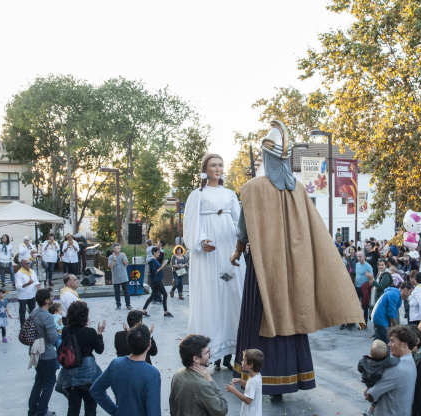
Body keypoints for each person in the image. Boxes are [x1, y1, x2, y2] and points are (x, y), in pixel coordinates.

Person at [230, 122, 364, 395]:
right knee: (290, 316)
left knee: (261, 315)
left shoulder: (254, 188)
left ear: (266, 156)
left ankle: (255, 376)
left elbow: (244, 228)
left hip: (263, 268)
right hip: (293, 268)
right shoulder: (299, 188)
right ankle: (288, 377)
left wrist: (237, 250)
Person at [184, 153, 246, 371]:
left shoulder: (230, 194)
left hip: (229, 244)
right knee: (211, 294)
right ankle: (210, 349)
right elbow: (191, 222)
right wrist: (201, 241)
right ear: (205, 169)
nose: (218, 169)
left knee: (233, 294)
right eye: (213, 165)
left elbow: (240, 221)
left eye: (220, 165)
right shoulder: (197, 195)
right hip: (209, 249)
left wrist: (242, 243)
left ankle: (236, 349)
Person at [91, 324, 169, 416]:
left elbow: (96, 390)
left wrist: (116, 411)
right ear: (149, 344)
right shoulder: (151, 373)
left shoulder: (116, 364)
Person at [55, 302, 105, 416]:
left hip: (70, 375)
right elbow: (100, 349)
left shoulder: (66, 331)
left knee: (73, 409)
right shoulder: (89, 332)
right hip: (88, 375)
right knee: (90, 408)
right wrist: (99, 333)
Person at [169, 334, 229, 416]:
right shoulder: (201, 385)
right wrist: (210, 381)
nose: (210, 354)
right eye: (206, 352)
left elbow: (173, 408)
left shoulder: (178, 374)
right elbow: (222, 409)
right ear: (195, 358)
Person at [365, 326, 418, 416]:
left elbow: (371, 395)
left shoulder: (396, 369)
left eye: (393, 341)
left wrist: (368, 390)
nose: (389, 344)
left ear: (404, 344)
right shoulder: (411, 363)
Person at [28, 288, 59, 416]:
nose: (53, 298)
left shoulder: (34, 312)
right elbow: (52, 337)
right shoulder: (46, 316)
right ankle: (42, 411)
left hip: (36, 352)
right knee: (49, 382)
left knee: (39, 381)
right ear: (46, 300)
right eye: (51, 297)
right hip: (47, 353)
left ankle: (32, 410)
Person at [225, 349, 264, 416]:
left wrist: (234, 391)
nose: (242, 362)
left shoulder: (252, 381)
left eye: (244, 360)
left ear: (250, 365)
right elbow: (251, 389)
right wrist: (240, 381)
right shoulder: (257, 377)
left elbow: (248, 400)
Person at [357, 339, 399, 416]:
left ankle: (369, 411)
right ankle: (369, 411)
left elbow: (359, 368)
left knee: (374, 393)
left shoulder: (363, 360)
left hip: (368, 380)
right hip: (377, 381)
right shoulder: (385, 362)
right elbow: (396, 361)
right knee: (379, 397)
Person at [142, 247, 172, 318]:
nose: (159, 253)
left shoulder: (155, 260)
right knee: (164, 294)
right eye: (158, 252)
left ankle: (143, 310)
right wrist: (163, 265)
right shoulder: (152, 261)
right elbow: (155, 271)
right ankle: (165, 311)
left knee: (153, 295)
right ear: (154, 252)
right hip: (156, 280)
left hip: (157, 280)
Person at [15, 258, 41, 327]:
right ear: (22, 264)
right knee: (22, 311)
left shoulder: (32, 271)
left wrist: (37, 285)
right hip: (23, 295)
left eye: (29, 263)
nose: (28, 265)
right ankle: (23, 325)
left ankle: (32, 324)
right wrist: (27, 284)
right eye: (26, 263)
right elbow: (18, 286)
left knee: (33, 310)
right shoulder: (19, 273)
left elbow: (35, 280)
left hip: (32, 294)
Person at [353, 250, 374, 326]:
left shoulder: (368, 266)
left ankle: (364, 323)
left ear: (364, 257)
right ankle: (353, 322)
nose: (358, 258)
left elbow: (372, 278)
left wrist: (367, 287)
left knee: (364, 305)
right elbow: (356, 276)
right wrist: (354, 284)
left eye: (360, 256)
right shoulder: (357, 265)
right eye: (357, 256)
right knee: (354, 304)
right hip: (357, 287)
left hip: (364, 288)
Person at [108, 243, 131, 310]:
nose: (119, 249)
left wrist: (123, 258)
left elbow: (126, 264)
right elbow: (111, 266)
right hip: (116, 278)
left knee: (126, 291)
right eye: (118, 248)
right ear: (114, 249)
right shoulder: (111, 257)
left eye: (119, 248)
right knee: (117, 292)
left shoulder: (123, 255)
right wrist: (114, 259)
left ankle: (128, 304)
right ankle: (118, 305)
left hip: (124, 277)